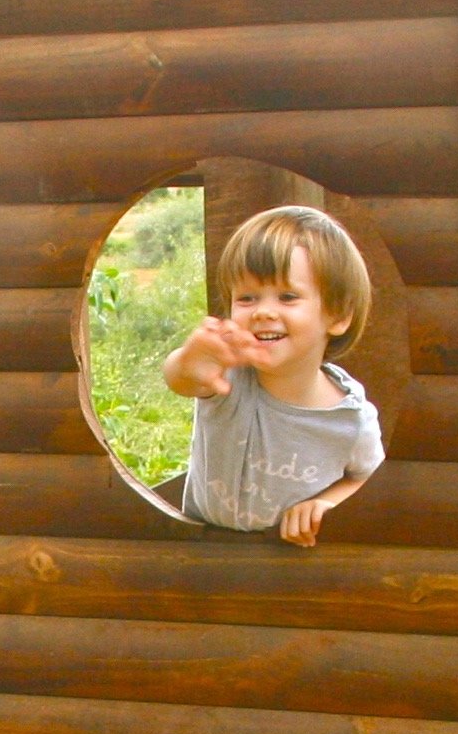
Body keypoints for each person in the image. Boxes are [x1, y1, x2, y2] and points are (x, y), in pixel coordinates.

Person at [159, 204, 385, 544]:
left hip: (292, 572)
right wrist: (191, 360)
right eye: (247, 298)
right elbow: (181, 378)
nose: (264, 312)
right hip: (204, 557)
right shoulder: (230, 378)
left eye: (287, 297)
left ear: (337, 315)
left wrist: (326, 503)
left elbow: (369, 478)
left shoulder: (349, 418)